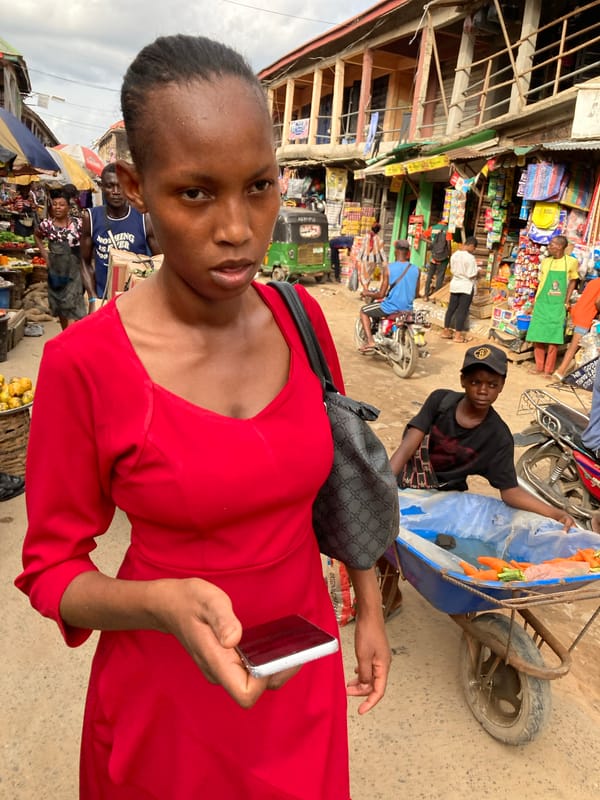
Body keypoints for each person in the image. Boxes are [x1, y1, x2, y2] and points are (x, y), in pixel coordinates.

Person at [15, 35, 390, 799]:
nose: (238, 227)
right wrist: (159, 604)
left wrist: (370, 606)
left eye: (259, 186)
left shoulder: (301, 320)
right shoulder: (84, 364)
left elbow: (342, 480)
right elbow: (52, 570)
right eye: (195, 193)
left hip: (299, 672)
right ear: (134, 187)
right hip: (167, 698)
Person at [378, 344, 576, 612]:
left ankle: (459, 597)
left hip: (448, 497)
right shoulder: (440, 402)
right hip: (409, 485)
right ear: (463, 380)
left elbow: (509, 491)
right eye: (475, 382)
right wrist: (383, 484)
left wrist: (555, 512)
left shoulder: (498, 437)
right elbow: (407, 446)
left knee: (454, 553)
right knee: (383, 538)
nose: (483, 390)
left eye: (492, 384)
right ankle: (390, 595)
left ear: (502, 385)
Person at [80, 162, 160, 301]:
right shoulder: (91, 218)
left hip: (137, 300)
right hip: (104, 299)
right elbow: (84, 262)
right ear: (102, 187)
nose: (116, 191)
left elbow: (160, 261)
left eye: (120, 186)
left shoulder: (143, 217)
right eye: (110, 186)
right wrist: (92, 297)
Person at [33, 191, 93, 331]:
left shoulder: (78, 223)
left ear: (68, 207)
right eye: (54, 204)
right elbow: (37, 236)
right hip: (57, 270)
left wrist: (88, 261)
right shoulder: (47, 225)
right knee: (60, 305)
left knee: (72, 302)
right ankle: (66, 333)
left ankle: (70, 335)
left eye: (61, 204)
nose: (57, 207)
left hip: (75, 268)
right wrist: (46, 256)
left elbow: (87, 241)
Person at [526, 234, 579, 376]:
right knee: (537, 335)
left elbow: (573, 281)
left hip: (557, 305)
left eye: (553, 244)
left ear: (561, 246)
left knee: (553, 338)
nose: (549, 246)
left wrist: (566, 301)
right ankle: (539, 367)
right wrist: (533, 303)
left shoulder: (571, 262)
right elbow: (541, 283)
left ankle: (548, 370)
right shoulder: (545, 262)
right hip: (542, 303)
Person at [358, 239, 420, 351]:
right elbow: (416, 294)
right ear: (408, 253)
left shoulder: (388, 268)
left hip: (390, 307)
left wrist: (367, 293)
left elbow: (381, 294)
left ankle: (371, 341)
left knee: (363, 311)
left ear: (395, 252)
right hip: (408, 309)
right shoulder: (416, 269)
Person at [553, 277, 600, 380]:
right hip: (585, 317)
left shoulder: (594, 281)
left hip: (577, 311)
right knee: (574, 346)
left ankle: (569, 370)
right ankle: (560, 371)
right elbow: (598, 302)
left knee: (579, 346)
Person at [440, 236, 480, 343]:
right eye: (474, 248)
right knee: (462, 311)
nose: (474, 250)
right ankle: (457, 336)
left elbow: (452, 269)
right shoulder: (470, 258)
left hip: (455, 285)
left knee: (451, 309)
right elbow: (471, 274)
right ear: (471, 246)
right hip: (466, 286)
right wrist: (479, 272)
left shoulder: (454, 255)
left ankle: (445, 331)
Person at [422, 220, 451, 300]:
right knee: (440, 277)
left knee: (430, 276)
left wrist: (432, 242)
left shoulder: (433, 228)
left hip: (434, 256)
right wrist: (449, 255)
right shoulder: (448, 229)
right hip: (443, 258)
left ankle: (426, 295)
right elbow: (448, 244)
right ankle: (435, 296)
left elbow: (422, 236)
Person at [357, 222, 386, 292]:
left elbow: (362, 248)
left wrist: (358, 258)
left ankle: (366, 291)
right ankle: (365, 293)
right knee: (368, 276)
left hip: (366, 260)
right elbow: (381, 251)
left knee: (363, 277)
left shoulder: (366, 237)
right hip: (374, 261)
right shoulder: (379, 239)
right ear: (378, 230)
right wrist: (384, 261)